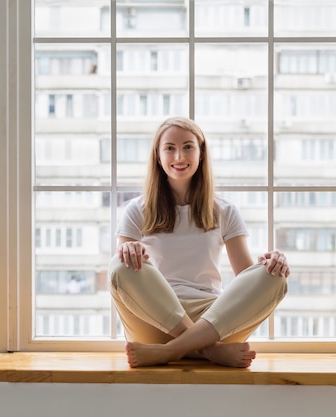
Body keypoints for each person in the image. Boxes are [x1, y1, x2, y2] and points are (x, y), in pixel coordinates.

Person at [109, 117, 289, 368]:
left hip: (212, 320)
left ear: (201, 153)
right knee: (119, 266)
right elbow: (124, 275)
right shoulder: (136, 210)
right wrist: (127, 249)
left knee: (274, 277)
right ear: (158, 157)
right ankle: (208, 351)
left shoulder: (224, 210)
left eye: (188, 146)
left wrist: (270, 263)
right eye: (169, 148)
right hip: (154, 317)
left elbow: (246, 276)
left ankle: (170, 351)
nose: (179, 156)